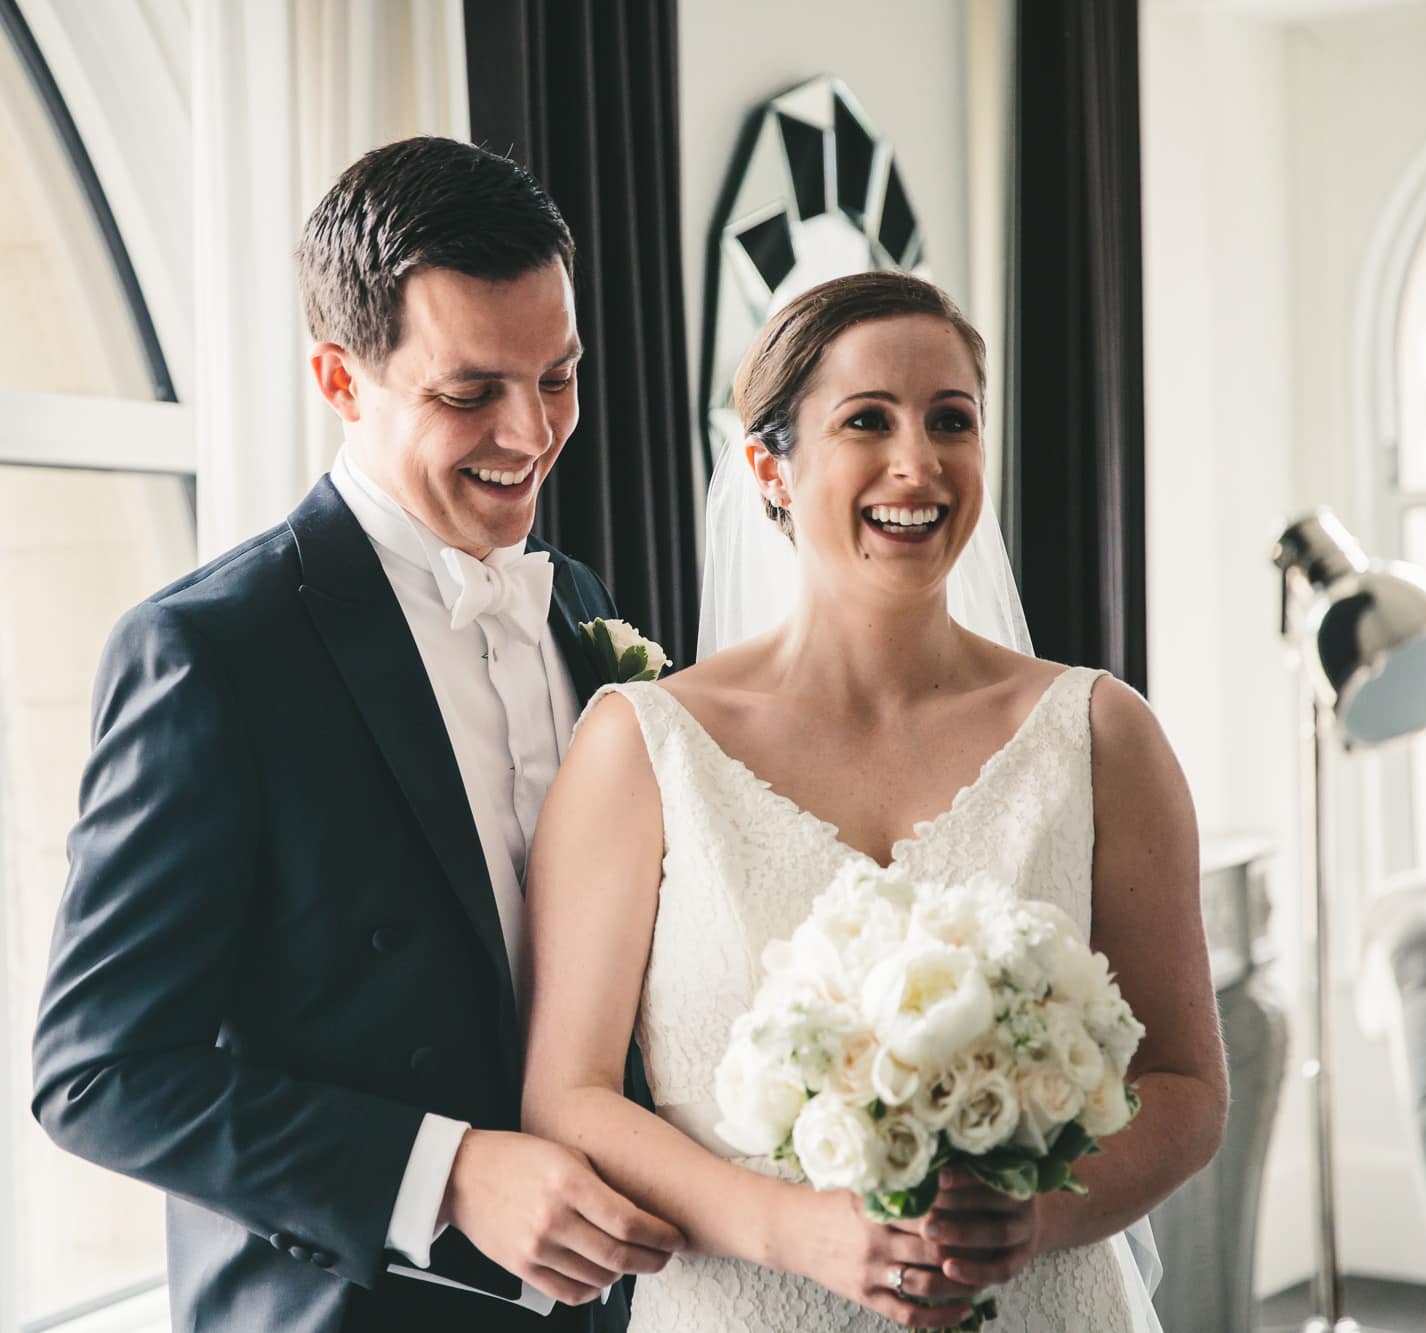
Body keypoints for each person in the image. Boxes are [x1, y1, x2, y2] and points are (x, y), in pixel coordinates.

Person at [30, 136, 683, 1333]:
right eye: (468, 391)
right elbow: (99, 1073)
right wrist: (446, 1173)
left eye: (557, 376)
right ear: (340, 379)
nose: (531, 432)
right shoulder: (209, 655)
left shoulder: (579, 602)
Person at [520, 271, 1228, 1330]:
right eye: (865, 420)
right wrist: (789, 1228)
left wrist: (1035, 1216)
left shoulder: (1098, 733)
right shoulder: (642, 745)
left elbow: (1183, 1083)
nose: (918, 462)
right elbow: (565, 1096)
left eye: (952, 420)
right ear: (767, 467)